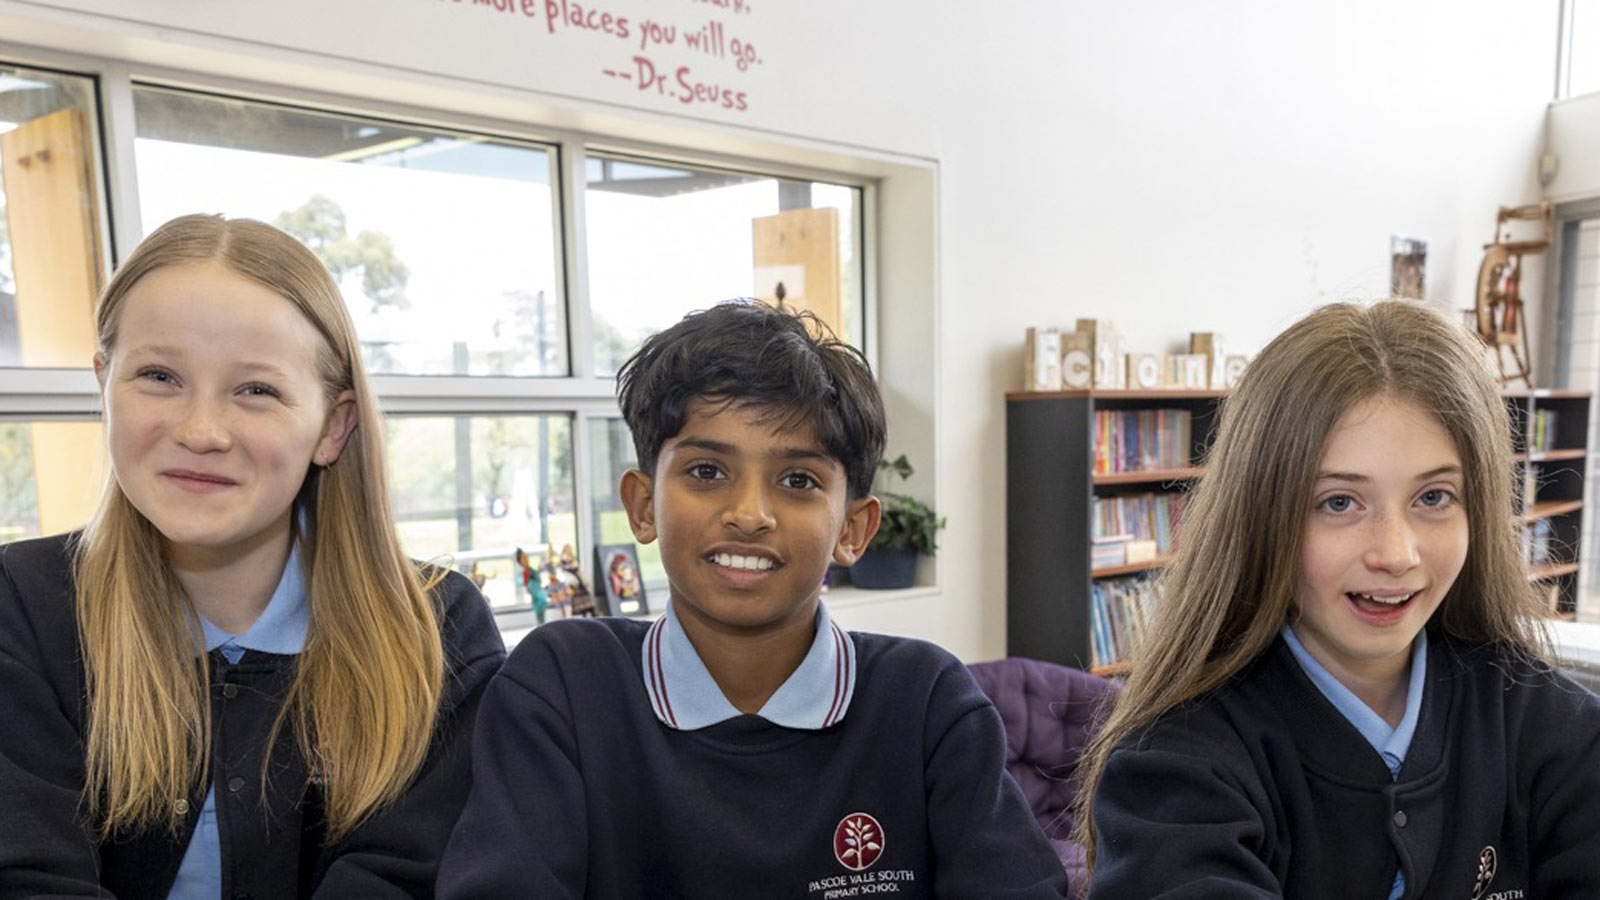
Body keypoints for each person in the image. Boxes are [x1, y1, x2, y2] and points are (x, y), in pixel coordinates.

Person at [438, 301, 1069, 897]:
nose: (749, 514)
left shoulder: (928, 701)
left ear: (852, 530)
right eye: (707, 471)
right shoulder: (563, 685)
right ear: (643, 504)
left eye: (798, 481)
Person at [0, 214, 506, 898]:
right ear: (103, 385)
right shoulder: (22, 611)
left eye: (256, 391)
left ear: (334, 425)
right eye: (158, 375)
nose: (201, 431)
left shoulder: (435, 632)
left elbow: (408, 879)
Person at [1076, 300, 1600, 899]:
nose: (1396, 553)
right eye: (1339, 503)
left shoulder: (1554, 730)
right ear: (1260, 519)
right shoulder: (1175, 771)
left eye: (1433, 497)